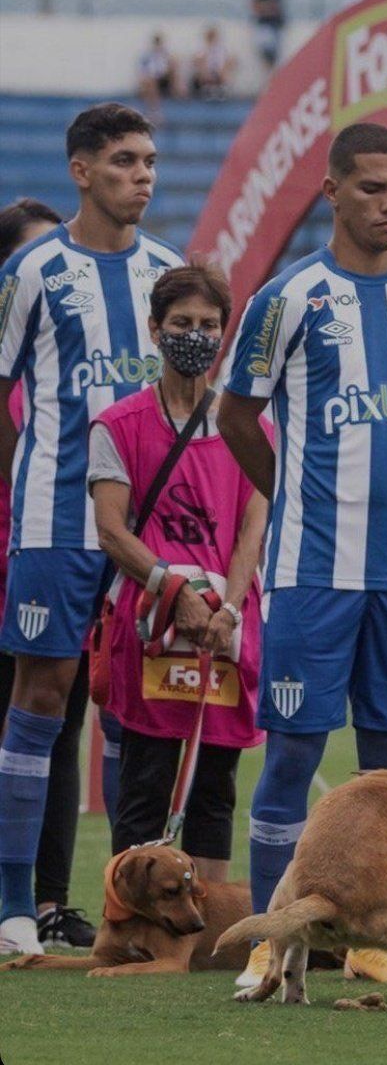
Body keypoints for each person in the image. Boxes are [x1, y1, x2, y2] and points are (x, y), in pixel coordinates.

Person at [219, 121, 387, 987]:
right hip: (311, 568)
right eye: (372, 188)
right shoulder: (287, 299)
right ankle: (269, 952)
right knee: (289, 754)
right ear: (332, 191)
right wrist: (294, 495)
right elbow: (236, 417)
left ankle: (369, 949)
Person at [0, 103, 183, 956]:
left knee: (139, 708)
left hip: (150, 529)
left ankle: (125, 905)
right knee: (42, 698)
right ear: (81, 171)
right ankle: (14, 907)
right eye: (122, 161)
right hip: (56, 519)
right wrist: (25, 484)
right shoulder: (33, 270)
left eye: (148, 161)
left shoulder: (170, 275)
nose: (141, 175)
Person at [90, 264, 267, 883]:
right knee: (148, 773)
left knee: (216, 781)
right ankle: (134, 916)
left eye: (209, 325)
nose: (197, 335)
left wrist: (230, 606)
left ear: (226, 334)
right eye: (182, 323)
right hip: (153, 624)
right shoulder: (119, 425)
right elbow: (111, 530)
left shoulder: (251, 428)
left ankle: (208, 922)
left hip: (225, 626)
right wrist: (173, 588)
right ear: (155, 330)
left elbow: (253, 529)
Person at [0, 198, 97, 949]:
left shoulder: (70, 375)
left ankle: (50, 899)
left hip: (63, 553)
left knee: (60, 725)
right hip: (23, 543)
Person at [137, 33, 184, 122]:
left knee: (174, 69)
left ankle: (179, 97)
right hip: (152, 80)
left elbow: (171, 68)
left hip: (165, 79)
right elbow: (142, 73)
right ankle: (154, 110)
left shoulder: (167, 55)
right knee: (151, 82)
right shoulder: (147, 57)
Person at [251, 0, 287, 70]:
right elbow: (254, 5)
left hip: (276, 27)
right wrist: (269, 8)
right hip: (266, 27)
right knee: (267, 53)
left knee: (274, 55)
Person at [191, 26, 237, 100]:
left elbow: (230, 60)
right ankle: (208, 88)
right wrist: (205, 70)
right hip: (207, 71)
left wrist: (224, 69)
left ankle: (221, 89)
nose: (212, 38)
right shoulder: (202, 48)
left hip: (220, 71)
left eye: (213, 36)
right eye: (210, 36)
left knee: (227, 68)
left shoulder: (223, 48)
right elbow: (196, 61)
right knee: (201, 66)